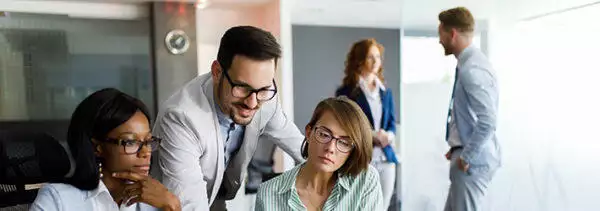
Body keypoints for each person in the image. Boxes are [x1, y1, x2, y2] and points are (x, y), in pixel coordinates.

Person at [151, 25, 304, 210]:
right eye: (242, 87)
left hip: (215, 199)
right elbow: (190, 205)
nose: (252, 103)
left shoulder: (266, 98)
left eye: (263, 89)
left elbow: (304, 150)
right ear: (217, 72)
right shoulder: (181, 117)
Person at [31, 88, 181, 211]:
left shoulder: (156, 201)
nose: (145, 152)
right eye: (130, 142)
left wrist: (173, 207)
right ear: (98, 147)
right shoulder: (58, 200)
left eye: (148, 141)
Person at [255, 96, 383, 211]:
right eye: (324, 134)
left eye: (344, 142)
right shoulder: (268, 193)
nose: (331, 148)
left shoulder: (366, 180)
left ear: (353, 150)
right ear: (309, 133)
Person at [438, 7, 500, 211]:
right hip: (464, 155)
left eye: (441, 34)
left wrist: (466, 156)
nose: (440, 40)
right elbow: (470, 115)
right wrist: (457, 145)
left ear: (452, 34)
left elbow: (488, 120)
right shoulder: (469, 64)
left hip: (471, 162)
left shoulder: (472, 68)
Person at [335, 38, 398, 209]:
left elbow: (392, 123)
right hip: (361, 159)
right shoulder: (346, 93)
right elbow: (344, 126)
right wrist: (372, 135)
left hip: (386, 158)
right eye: (370, 57)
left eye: (378, 56)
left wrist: (388, 136)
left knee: (382, 206)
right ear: (360, 60)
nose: (376, 61)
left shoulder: (386, 92)